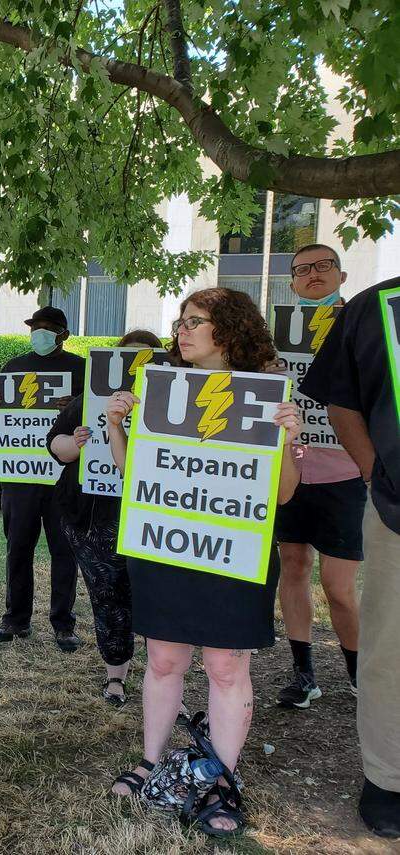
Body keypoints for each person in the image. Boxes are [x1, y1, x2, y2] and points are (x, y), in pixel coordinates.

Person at [107, 288, 302, 839]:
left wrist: (289, 438)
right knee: (164, 660)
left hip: (233, 549)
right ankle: (150, 762)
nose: (181, 332)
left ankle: (222, 779)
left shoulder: (268, 397)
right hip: (168, 546)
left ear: (230, 331)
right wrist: (117, 427)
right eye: (180, 322)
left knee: (224, 667)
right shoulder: (161, 389)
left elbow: (285, 494)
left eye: (195, 322)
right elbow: (136, 480)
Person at [300, 276, 400, 838]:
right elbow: (341, 403)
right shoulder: (377, 306)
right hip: (397, 510)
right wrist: (375, 471)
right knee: (390, 646)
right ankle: (388, 778)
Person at [46, 330, 163, 707]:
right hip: (91, 519)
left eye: (145, 361)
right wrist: (75, 444)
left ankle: (165, 679)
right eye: (128, 359)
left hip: (151, 517)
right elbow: (56, 447)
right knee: (107, 595)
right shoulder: (87, 401)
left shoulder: (177, 407)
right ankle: (116, 676)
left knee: (155, 599)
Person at [275, 244, 365, 709]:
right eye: (302, 270)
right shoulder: (275, 335)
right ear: (291, 283)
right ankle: (303, 672)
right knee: (293, 566)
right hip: (290, 468)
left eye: (323, 266)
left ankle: (358, 676)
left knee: (338, 585)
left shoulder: (361, 326)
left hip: (345, 471)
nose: (313, 275)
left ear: (341, 275)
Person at [0, 305, 84, 651]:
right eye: (35, 327)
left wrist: (78, 404)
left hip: (63, 476)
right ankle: (15, 620)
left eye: (47, 328)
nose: (39, 333)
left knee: (63, 550)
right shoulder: (14, 368)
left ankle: (63, 625)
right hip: (20, 476)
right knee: (18, 548)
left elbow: (98, 417)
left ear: (63, 334)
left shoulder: (80, 369)